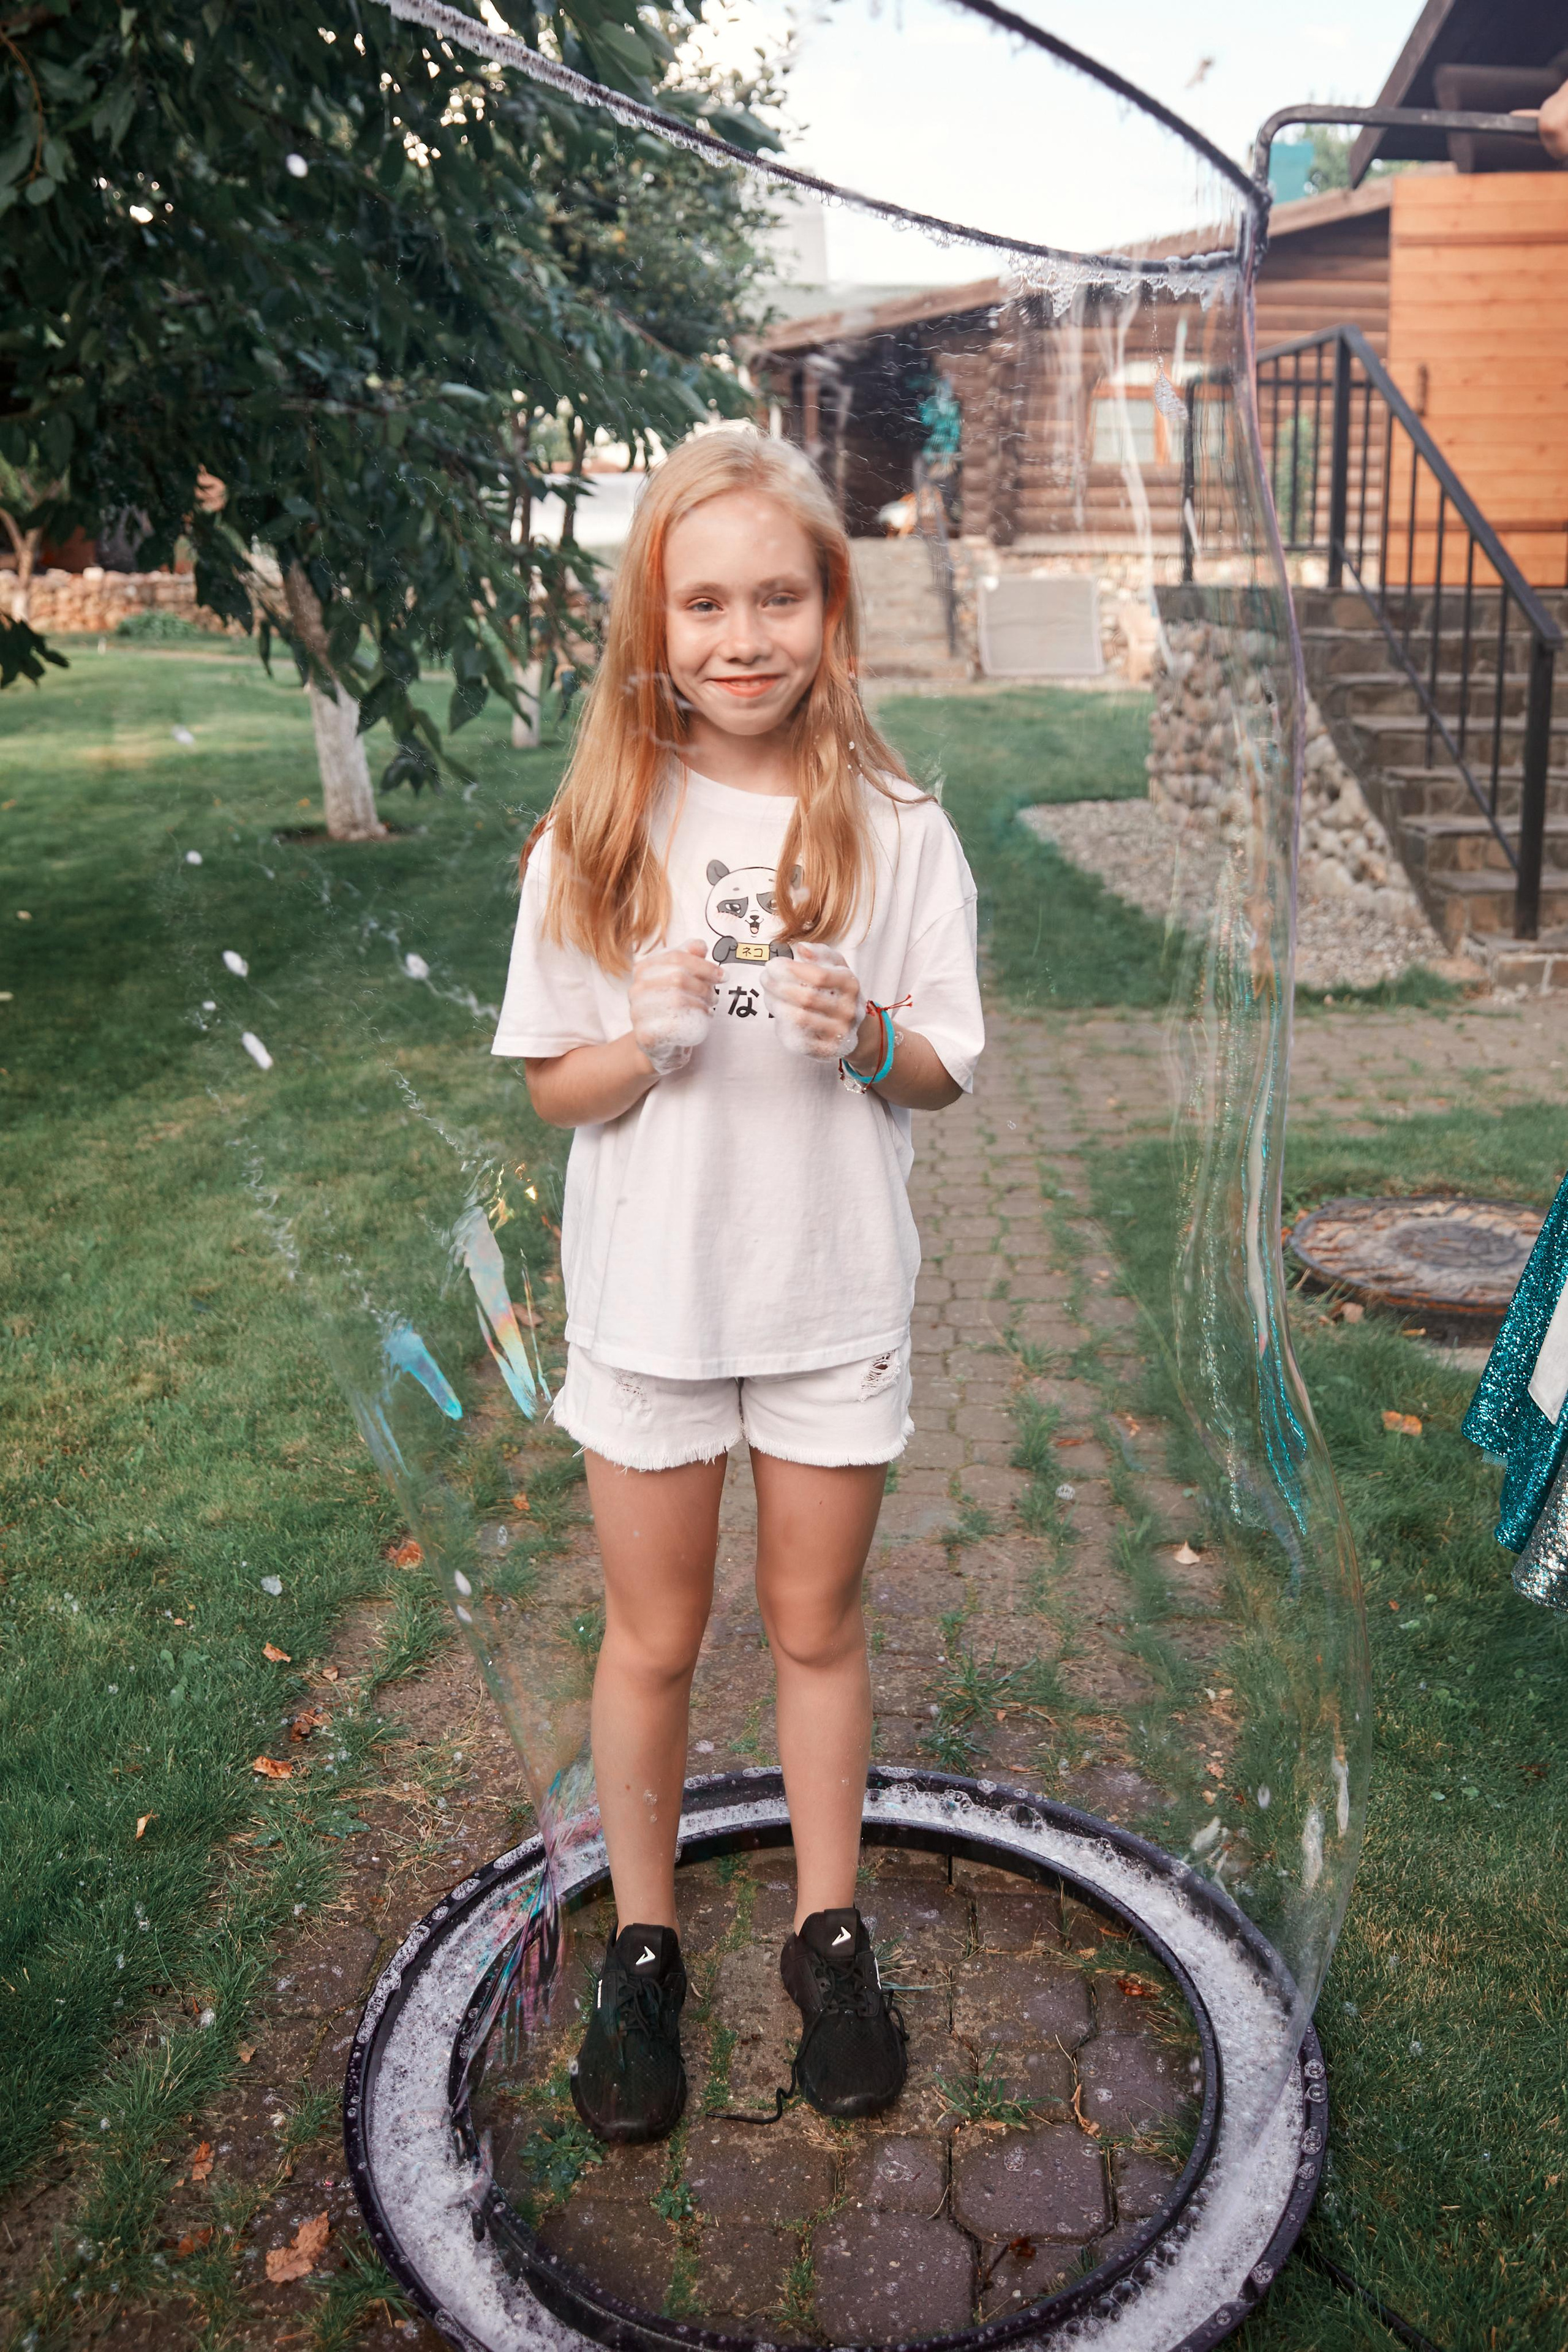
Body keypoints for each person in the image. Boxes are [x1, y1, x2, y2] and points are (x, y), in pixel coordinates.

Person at [491, 427, 983, 2143]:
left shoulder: (902, 830)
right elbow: (552, 1078)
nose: (743, 635)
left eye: (778, 595)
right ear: (656, 618)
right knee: (654, 1634)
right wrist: (642, 1044)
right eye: (705, 602)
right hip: (653, 1307)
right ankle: (641, 1946)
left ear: (829, 609)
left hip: (829, 1298)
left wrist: (872, 1043)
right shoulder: (600, 830)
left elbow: (946, 1070)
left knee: (816, 1625)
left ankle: (824, 1936)